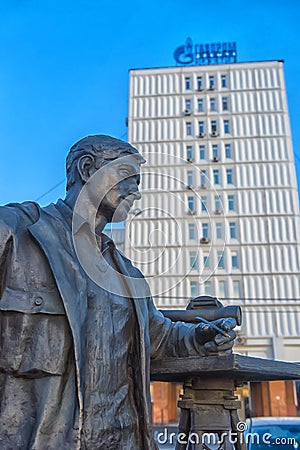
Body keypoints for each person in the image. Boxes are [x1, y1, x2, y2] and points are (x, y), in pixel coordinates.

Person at [0, 135, 236, 450]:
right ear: (87, 169)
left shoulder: (127, 275)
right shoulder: (15, 233)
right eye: (127, 178)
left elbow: (160, 337)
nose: (136, 192)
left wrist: (201, 337)